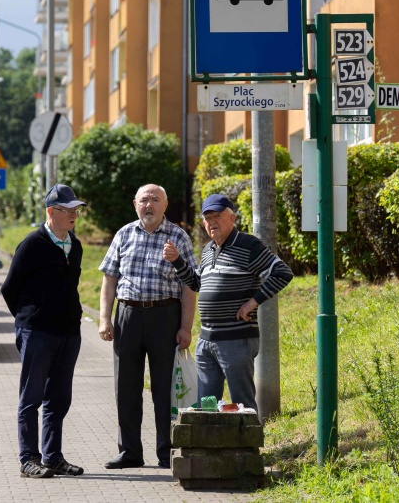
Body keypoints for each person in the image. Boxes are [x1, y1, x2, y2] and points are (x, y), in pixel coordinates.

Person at [163, 193, 293, 418]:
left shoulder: (248, 245)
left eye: (217, 216)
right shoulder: (208, 250)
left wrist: (253, 302)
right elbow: (196, 283)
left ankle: (248, 449)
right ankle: (212, 452)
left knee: (242, 403)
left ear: (232, 218)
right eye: (207, 218)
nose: (212, 222)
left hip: (236, 338)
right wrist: (177, 261)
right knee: (206, 406)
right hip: (207, 341)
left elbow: (282, 272)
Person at [98, 184, 197, 470]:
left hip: (165, 316)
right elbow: (109, 278)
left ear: (165, 205)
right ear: (135, 204)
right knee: (126, 386)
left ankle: (167, 452)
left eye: (155, 199)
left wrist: (186, 327)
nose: (149, 205)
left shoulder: (178, 237)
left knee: (164, 388)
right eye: (144, 200)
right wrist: (105, 318)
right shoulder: (124, 234)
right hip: (128, 315)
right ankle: (130, 451)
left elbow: (190, 285)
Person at [1, 184, 87, 479]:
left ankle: (52, 457)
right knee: (31, 398)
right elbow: (9, 287)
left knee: (59, 398)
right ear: (52, 212)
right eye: (68, 210)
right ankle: (28, 459)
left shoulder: (75, 245)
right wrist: (28, 320)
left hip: (68, 333)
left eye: (77, 209)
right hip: (37, 332)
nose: (75, 214)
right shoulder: (32, 244)